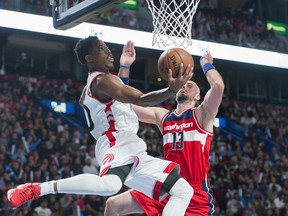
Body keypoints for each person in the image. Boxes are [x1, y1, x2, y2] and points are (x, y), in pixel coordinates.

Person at [7, 36, 194, 216]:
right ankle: (38, 188)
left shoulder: (99, 83)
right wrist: (170, 90)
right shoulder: (102, 81)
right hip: (116, 142)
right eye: (102, 49)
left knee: (182, 190)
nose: (109, 52)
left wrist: (124, 66)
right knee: (110, 186)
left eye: (107, 48)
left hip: (130, 146)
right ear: (90, 58)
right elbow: (139, 99)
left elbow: (120, 100)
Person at [104, 51, 224, 216]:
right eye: (182, 84)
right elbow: (124, 106)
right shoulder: (163, 116)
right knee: (113, 205)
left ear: (197, 96)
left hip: (195, 193)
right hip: (167, 184)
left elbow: (218, 86)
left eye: (190, 85)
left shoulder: (202, 115)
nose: (184, 86)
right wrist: (124, 67)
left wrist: (205, 63)